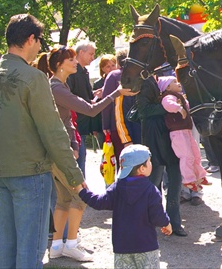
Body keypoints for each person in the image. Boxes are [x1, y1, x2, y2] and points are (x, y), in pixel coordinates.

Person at [0, 14, 85, 268]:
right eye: (39, 41)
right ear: (29, 39)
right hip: (30, 173)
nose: (40, 47)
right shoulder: (33, 78)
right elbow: (53, 132)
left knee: (7, 247)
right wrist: (75, 177)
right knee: (30, 252)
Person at [37, 47, 136, 261]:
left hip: (59, 149)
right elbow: (90, 110)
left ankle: (56, 245)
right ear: (60, 65)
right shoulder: (56, 87)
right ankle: (71, 243)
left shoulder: (58, 86)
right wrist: (116, 93)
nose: (75, 62)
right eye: (71, 59)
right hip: (59, 151)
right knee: (81, 196)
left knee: (64, 199)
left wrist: (73, 142)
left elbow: (71, 115)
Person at [77, 145, 172, 269]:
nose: (151, 164)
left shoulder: (117, 188)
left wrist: (82, 191)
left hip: (122, 246)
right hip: (146, 245)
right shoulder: (151, 190)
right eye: (149, 162)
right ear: (142, 169)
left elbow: (99, 202)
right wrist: (166, 223)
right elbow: (157, 216)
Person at [136, 75, 187, 237]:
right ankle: (149, 221)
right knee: (154, 183)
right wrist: (166, 106)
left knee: (174, 182)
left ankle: (174, 222)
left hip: (170, 136)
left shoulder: (153, 79)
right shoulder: (145, 81)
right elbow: (143, 110)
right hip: (155, 136)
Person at [157, 76, 211, 192]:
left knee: (195, 153)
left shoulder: (179, 96)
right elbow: (167, 104)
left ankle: (199, 175)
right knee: (186, 155)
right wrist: (179, 109)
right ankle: (188, 179)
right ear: (167, 87)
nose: (178, 83)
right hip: (178, 132)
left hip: (185, 130)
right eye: (174, 82)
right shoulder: (168, 96)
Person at [102, 48, 141, 162]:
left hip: (118, 124)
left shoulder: (113, 76)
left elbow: (107, 101)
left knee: (123, 161)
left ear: (118, 62)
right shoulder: (141, 74)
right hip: (138, 123)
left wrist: (106, 125)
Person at [67, 40, 99, 177]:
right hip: (75, 125)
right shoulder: (72, 73)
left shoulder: (84, 72)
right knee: (79, 161)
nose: (93, 57)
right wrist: (89, 101)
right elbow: (70, 97)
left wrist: (95, 95)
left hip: (82, 125)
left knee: (81, 159)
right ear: (81, 52)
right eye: (91, 54)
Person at [91, 54, 117, 147]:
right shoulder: (98, 83)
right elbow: (95, 104)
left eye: (113, 65)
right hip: (102, 120)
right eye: (108, 66)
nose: (111, 69)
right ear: (102, 69)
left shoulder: (121, 80)